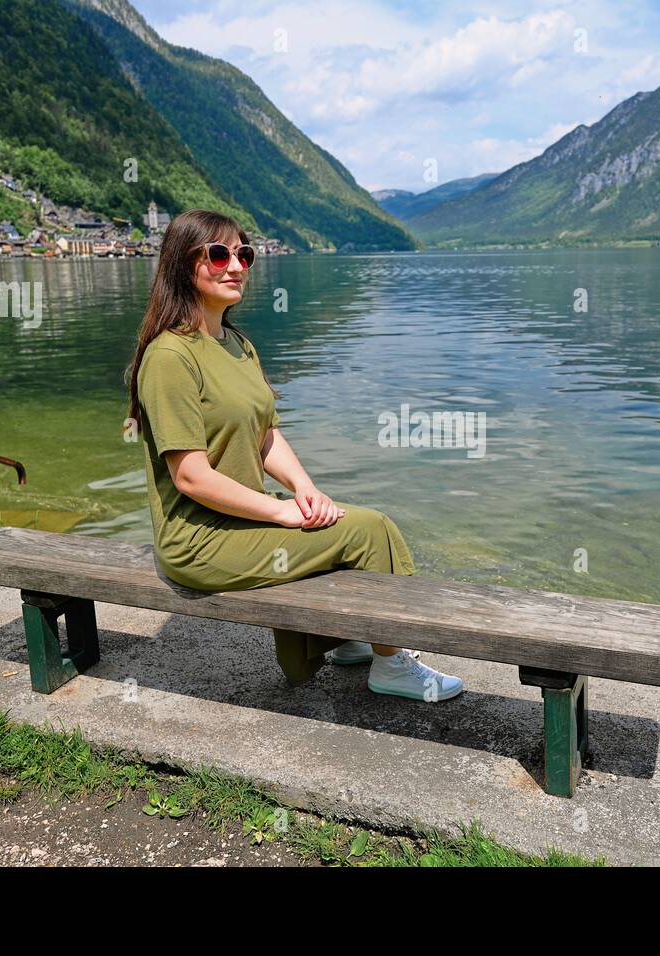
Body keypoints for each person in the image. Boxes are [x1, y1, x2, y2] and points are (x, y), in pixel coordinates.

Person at [124, 209, 463, 702]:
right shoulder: (170, 358)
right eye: (219, 254)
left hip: (239, 517)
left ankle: (348, 640)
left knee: (332, 518)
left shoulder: (237, 344)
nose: (236, 265)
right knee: (372, 529)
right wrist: (280, 510)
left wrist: (305, 490)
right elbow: (191, 478)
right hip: (199, 538)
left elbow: (266, 437)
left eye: (244, 254)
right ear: (182, 264)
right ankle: (391, 663)